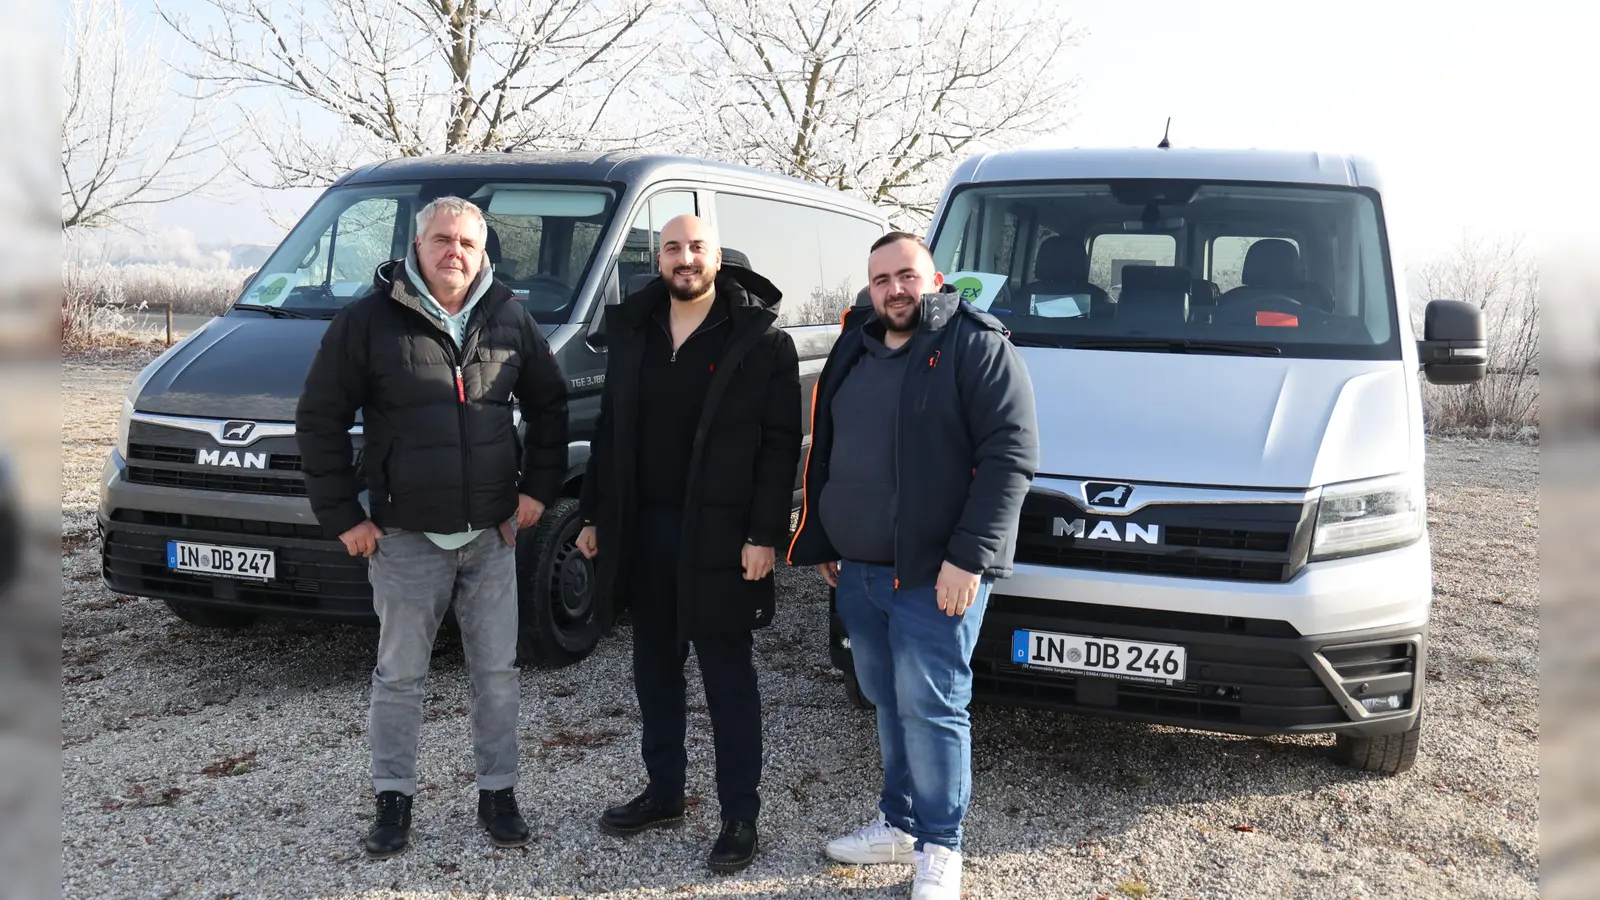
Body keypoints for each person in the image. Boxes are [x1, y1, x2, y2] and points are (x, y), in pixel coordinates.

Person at [295, 196, 569, 859]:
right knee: (399, 677)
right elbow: (319, 419)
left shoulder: (509, 315)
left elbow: (551, 402)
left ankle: (498, 795)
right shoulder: (368, 321)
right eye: (442, 239)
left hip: (490, 537)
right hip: (405, 538)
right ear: (417, 246)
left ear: (483, 253)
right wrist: (344, 518)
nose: (455, 251)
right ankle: (393, 803)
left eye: (468, 243)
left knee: (497, 675)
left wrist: (536, 492)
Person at [788, 232, 1039, 899]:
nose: (894, 290)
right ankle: (898, 823)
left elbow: (1011, 455)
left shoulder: (975, 344)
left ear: (935, 279)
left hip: (937, 575)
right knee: (887, 699)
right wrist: (826, 538)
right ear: (869, 288)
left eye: (906, 276)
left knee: (932, 708)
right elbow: (831, 448)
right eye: (881, 280)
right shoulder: (855, 341)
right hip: (860, 572)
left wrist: (969, 558)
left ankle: (939, 848)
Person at [577, 214, 802, 874]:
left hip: (724, 535)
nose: (684, 258)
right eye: (672, 248)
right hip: (645, 530)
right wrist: (594, 514)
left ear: (716, 256)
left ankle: (740, 815)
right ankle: (665, 792)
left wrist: (766, 534)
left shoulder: (760, 340)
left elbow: (778, 447)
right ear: (660, 258)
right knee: (654, 670)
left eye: (696, 247)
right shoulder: (634, 329)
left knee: (728, 679)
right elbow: (611, 434)